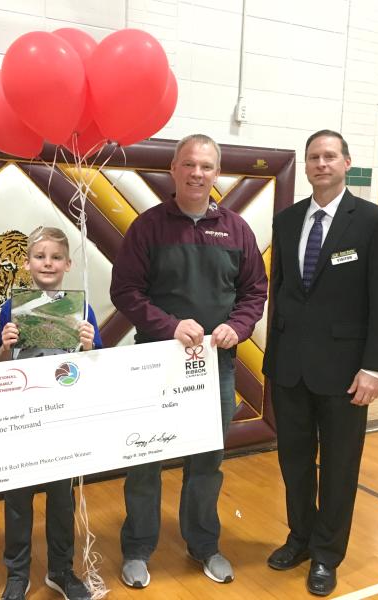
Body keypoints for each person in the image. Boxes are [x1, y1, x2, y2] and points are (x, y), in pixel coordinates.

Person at [110, 134, 268, 587]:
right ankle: (138, 548)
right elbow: (125, 291)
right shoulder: (148, 227)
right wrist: (169, 326)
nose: (197, 174)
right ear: (174, 169)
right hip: (154, 363)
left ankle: (203, 544)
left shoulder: (236, 230)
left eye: (206, 167)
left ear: (217, 174)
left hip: (213, 367)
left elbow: (254, 292)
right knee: (145, 460)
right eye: (189, 165)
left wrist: (237, 327)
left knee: (207, 461)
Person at [263, 130, 378, 596]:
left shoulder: (374, 222)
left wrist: (374, 367)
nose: (321, 164)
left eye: (329, 156)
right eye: (313, 158)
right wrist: (273, 358)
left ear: (346, 163)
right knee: (294, 462)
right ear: (305, 166)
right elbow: (280, 293)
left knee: (340, 467)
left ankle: (326, 554)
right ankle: (299, 538)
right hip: (290, 370)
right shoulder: (287, 221)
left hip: (347, 374)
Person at [0, 226, 103, 600]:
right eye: (40, 256)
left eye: (56, 257)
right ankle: (17, 574)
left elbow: (95, 367)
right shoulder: (12, 307)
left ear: (68, 264)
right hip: (21, 418)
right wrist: (5, 345)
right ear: (27, 263)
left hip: (63, 420)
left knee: (61, 499)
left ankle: (61, 570)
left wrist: (89, 345)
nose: (47, 263)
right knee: (18, 500)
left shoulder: (82, 308)